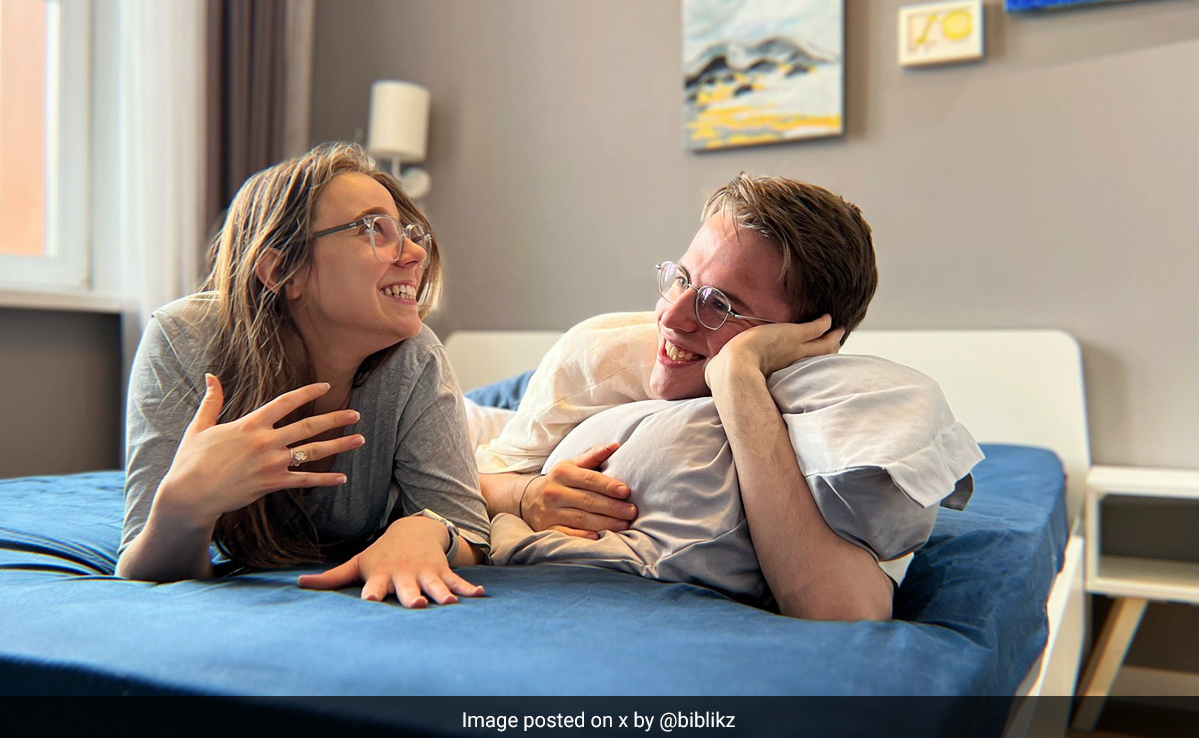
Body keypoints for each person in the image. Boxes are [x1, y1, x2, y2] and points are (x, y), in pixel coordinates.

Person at [475, 173, 980, 621]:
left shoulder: (838, 410)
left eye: (719, 304)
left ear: (803, 337)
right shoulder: (603, 353)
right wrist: (524, 495)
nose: (672, 317)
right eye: (681, 279)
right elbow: (474, 478)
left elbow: (841, 611)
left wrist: (738, 375)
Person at [117, 142, 489, 609]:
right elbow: (143, 569)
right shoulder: (183, 340)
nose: (415, 252)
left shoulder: (414, 359)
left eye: (409, 234)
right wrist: (185, 506)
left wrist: (426, 531)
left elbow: (469, 530)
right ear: (282, 271)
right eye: (374, 228)